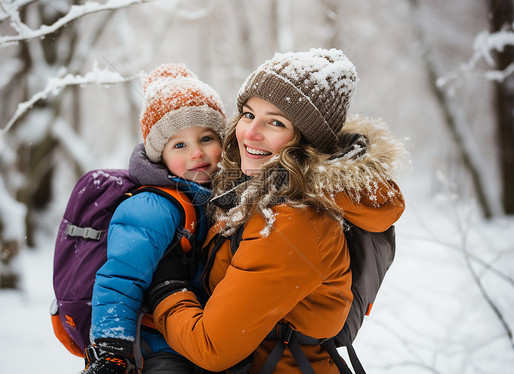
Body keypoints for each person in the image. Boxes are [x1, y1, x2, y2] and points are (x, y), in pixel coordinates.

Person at [146, 48, 408, 373]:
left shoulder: (291, 219)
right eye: (248, 113)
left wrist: (165, 286)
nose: (250, 133)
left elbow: (211, 347)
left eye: (275, 122)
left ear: (306, 140)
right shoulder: (257, 191)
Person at [83, 63, 227, 374]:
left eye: (206, 138)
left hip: (208, 340)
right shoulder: (154, 206)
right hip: (161, 345)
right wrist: (111, 350)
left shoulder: (218, 197)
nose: (197, 153)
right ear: (159, 156)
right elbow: (121, 277)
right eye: (179, 145)